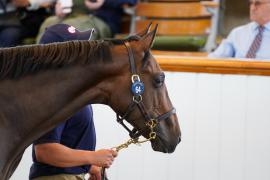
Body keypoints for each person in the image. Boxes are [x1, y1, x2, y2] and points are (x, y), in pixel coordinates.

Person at [29, 23, 118, 180]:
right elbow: (44, 151)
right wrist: (92, 157)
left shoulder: (65, 90)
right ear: (59, 55)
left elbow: (67, 141)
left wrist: (90, 167)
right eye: (77, 48)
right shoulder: (54, 94)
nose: (84, 52)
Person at [36, 0, 137, 42]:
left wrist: (104, 2)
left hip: (99, 20)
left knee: (67, 29)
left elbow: (132, 1)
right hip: (70, 16)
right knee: (49, 23)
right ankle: (36, 65)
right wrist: (57, 7)